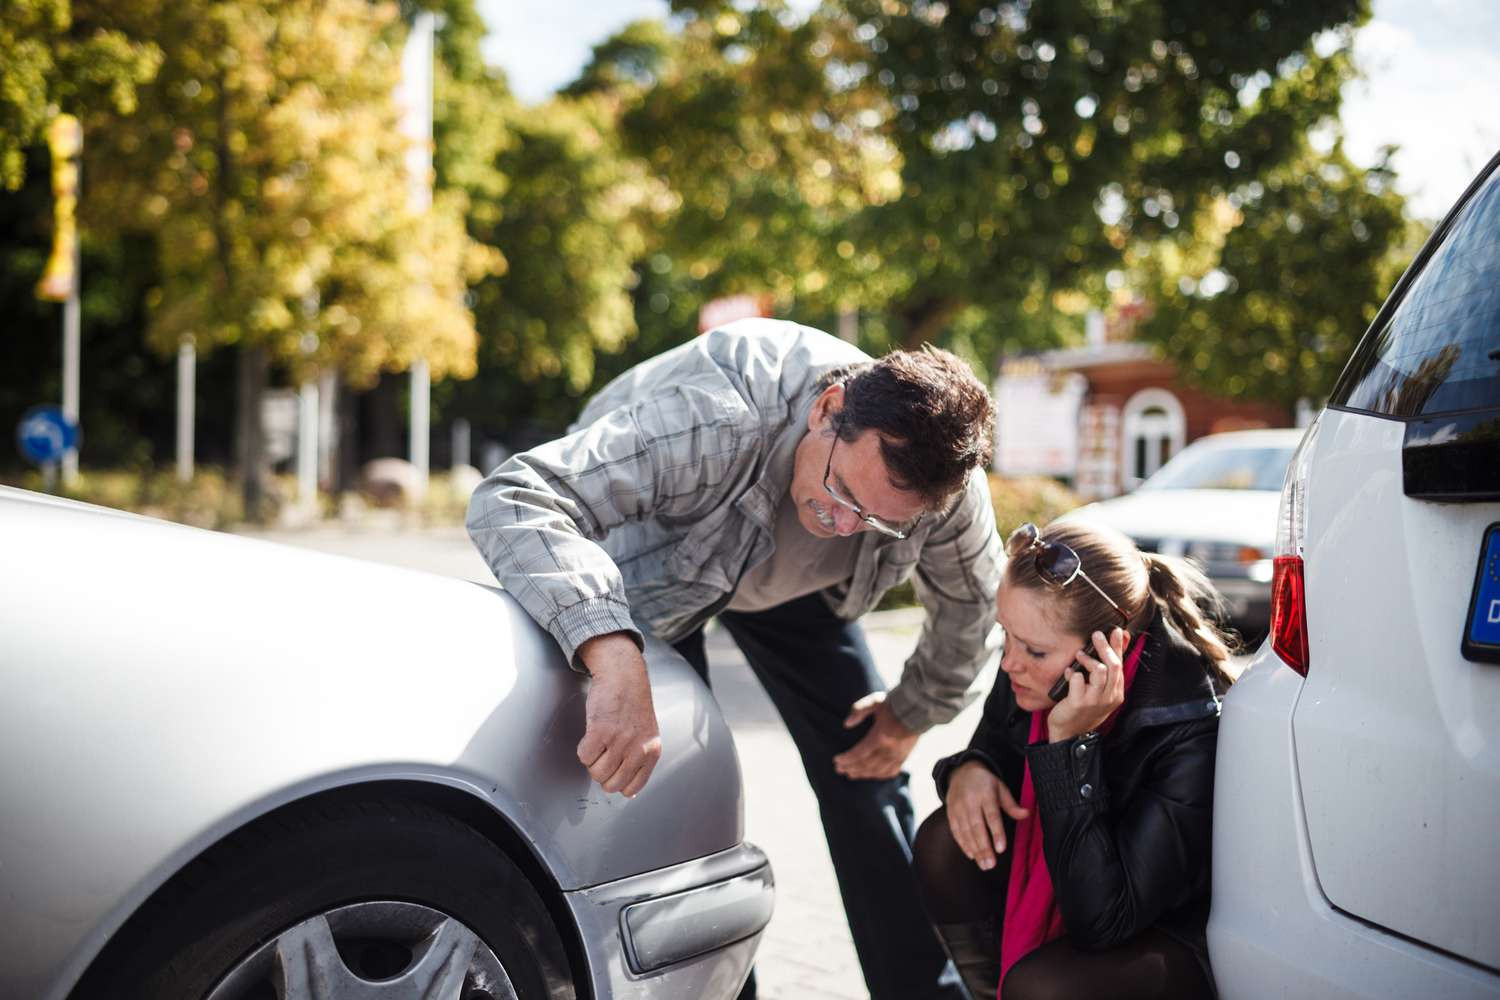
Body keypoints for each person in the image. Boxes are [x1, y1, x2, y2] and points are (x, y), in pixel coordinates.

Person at [466, 318, 1003, 999]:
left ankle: (924, 991)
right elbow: (515, 495)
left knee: (869, 771)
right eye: (841, 492)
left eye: (875, 520)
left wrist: (912, 712)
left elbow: (972, 604)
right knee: (670, 794)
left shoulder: (942, 487)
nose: (843, 524)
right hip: (662, 566)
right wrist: (611, 650)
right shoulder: (715, 416)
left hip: (802, 590)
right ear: (826, 410)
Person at [914, 518, 1234, 1000]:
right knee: (945, 842)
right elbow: (995, 743)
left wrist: (1068, 744)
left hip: (1176, 932)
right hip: (1084, 886)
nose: (1009, 664)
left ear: (1107, 648)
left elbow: (1105, 919)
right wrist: (970, 768)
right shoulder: (1038, 668)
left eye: (1034, 650)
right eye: (1007, 636)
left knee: (1041, 989)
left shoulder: (1188, 728)